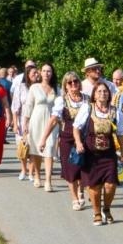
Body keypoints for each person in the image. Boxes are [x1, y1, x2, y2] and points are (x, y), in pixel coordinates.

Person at [74, 79, 122, 224]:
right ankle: (97, 212)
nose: (103, 94)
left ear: (109, 94)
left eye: (105, 91)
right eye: (99, 91)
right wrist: (78, 143)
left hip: (109, 153)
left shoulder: (115, 111)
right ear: (94, 95)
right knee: (94, 185)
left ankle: (106, 208)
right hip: (91, 153)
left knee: (111, 185)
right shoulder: (87, 108)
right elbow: (76, 127)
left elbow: (120, 133)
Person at [54, 72, 88, 209]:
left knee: (83, 167)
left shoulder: (87, 99)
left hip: (84, 137)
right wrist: (44, 139)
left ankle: (81, 190)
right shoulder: (62, 100)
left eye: (75, 81)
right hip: (67, 138)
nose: (73, 84)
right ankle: (74, 198)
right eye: (70, 82)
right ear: (65, 86)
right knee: (70, 168)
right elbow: (53, 120)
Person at [26, 64, 60, 191]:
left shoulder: (56, 88)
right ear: (40, 73)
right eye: (44, 71)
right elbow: (29, 105)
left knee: (50, 148)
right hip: (36, 120)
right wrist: (25, 122)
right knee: (36, 150)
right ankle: (37, 176)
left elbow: (60, 105)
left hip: (51, 122)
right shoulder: (34, 87)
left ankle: (48, 181)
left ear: (52, 73)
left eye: (49, 71)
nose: (46, 73)